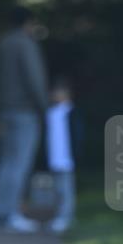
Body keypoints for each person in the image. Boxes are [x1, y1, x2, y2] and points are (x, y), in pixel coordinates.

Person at [0, 5, 49, 233]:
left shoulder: (3, 43)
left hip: (6, 109)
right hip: (25, 111)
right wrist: (43, 107)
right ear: (29, 22)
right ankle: (11, 214)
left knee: (6, 162)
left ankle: (0, 212)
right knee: (20, 163)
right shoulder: (25, 44)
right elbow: (34, 79)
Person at [45, 78, 82, 234]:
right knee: (57, 189)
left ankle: (66, 217)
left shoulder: (71, 112)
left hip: (67, 158)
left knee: (66, 189)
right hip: (54, 157)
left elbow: (77, 136)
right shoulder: (51, 113)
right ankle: (59, 216)